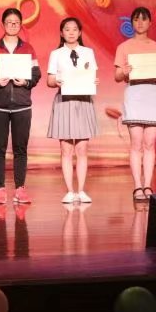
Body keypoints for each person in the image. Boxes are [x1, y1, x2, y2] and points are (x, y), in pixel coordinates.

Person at [0, 8, 41, 205]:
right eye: (9, 22)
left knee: (20, 149)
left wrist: (26, 82)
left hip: (22, 106)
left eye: (16, 22)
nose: (13, 25)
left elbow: (36, 74)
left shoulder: (28, 48)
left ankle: (20, 189)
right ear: (3, 24)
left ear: (21, 25)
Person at [113, 6, 156, 201]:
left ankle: (148, 186)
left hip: (152, 93)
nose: (140, 22)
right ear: (132, 22)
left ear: (150, 23)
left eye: (144, 19)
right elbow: (117, 76)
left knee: (150, 143)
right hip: (134, 93)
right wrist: (124, 71)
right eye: (136, 19)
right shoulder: (124, 47)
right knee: (136, 143)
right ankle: (137, 186)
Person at [46, 17, 99, 204]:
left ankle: (82, 191)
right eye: (67, 29)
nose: (71, 32)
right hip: (65, 101)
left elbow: (92, 75)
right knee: (66, 149)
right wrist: (56, 81)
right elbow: (49, 80)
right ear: (62, 33)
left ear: (80, 32)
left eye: (75, 29)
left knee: (82, 148)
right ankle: (69, 191)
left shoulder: (88, 52)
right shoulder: (56, 54)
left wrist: (94, 81)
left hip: (83, 101)